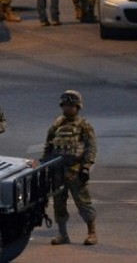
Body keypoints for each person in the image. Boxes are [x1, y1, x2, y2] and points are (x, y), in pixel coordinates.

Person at [43, 90, 98, 246]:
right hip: (58, 171)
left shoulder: (83, 126)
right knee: (59, 203)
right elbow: (49, 146)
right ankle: (62, 234)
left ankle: (92, 232)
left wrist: (86, 166)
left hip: (75, 170)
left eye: (71, 106)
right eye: (65, 105)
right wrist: (45, 164)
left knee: (83, 202)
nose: (67, 109)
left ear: (77, 107)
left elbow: (91, 147)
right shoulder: (57, 124)